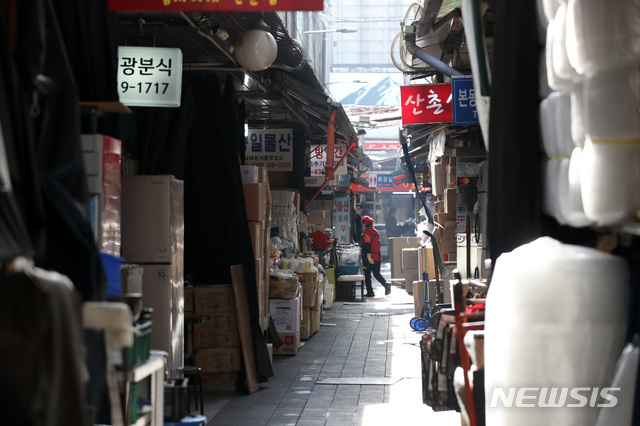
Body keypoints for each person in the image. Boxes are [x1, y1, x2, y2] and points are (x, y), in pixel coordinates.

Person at [361, 215, 390, 297]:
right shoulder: (376, 232)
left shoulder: (367, 234)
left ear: (365, 224)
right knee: (377, 274)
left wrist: (368, 257)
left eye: (363, 223)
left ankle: (370, 292)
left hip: (370, 257)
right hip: (377, 256)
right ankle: (386, 284)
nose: (362, 225)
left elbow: (367, 246)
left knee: (367, 275)